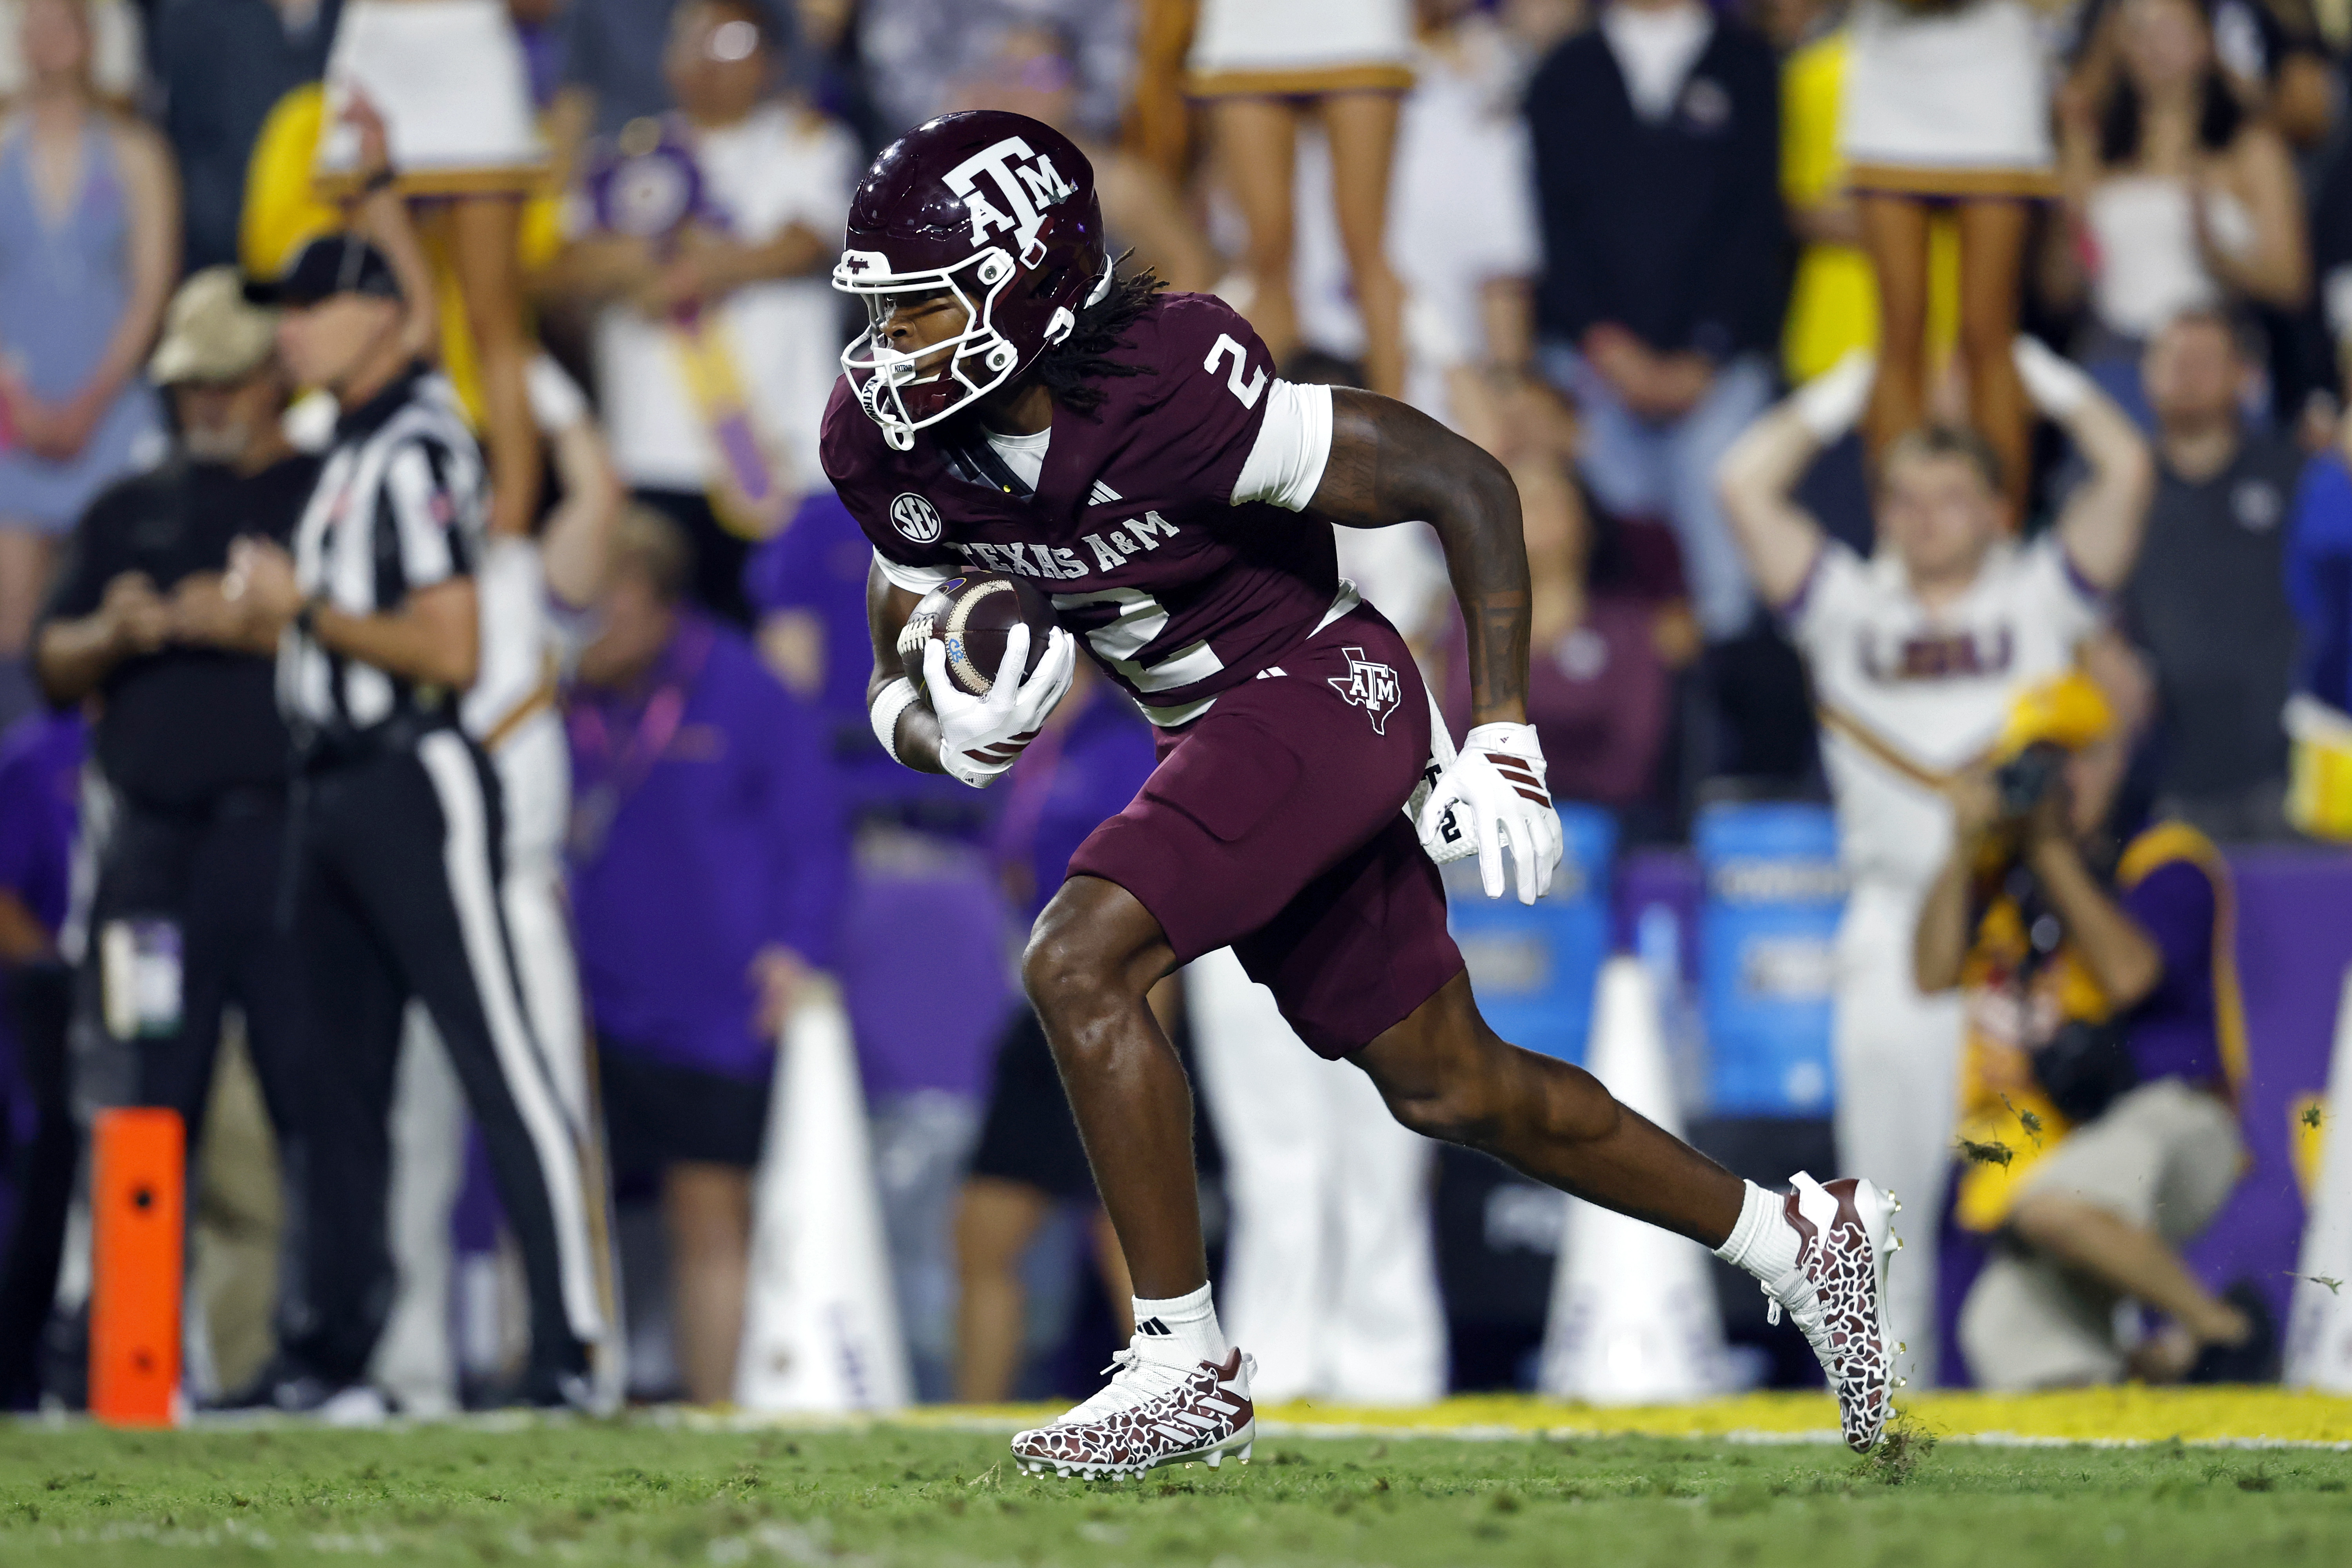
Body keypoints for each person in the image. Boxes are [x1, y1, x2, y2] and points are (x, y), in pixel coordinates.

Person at [828, 109, 1896, 1472]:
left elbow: (1464, 477)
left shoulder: (1166, 383)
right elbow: (891, 666)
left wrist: (1501, 727)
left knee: (1079, 960)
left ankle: (1183, 1363)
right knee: (1455, 1087)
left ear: (1027, 288)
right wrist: (942, 735)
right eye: (883, 313)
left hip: (1327, 690)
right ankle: (1799, 1241)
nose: (888, 349)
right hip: (1205, 737)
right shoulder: (887, 444)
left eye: (920, 310)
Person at [217, 226, 607, 1416]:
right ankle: (329, 1351)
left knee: (499, 1059)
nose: (288, 329)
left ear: (385, 315)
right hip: (327, 784)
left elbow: (450, 646)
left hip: (410, 781)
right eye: (281, 309)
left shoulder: (424, 439)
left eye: (313, 307)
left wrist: (307, 612)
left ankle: (568, 1348)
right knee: (335, 1085)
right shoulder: (345, 445)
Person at [1715, 339, 2156, 1384]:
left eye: (1950, 498)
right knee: (1885, 1191)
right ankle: (1884, 1404)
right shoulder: (1848, 606)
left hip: (2031, 933)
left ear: (2001, 509)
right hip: (1895, 917)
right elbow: (1741, 480)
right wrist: (1864, 377)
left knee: (2076, 1187)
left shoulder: (2042, 593)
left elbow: (2126, 467)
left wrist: (2021, 360)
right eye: (1903, 499)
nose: (1922, 519)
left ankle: (2134, 1372)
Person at [30, 267, 318, 1231]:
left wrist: (273, 625)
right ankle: (130, 1351)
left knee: (315, 1098)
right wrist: (109, 634)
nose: (206, 402)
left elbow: (402, 640)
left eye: (225, 380)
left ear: (275, 373)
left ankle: (328, 1357)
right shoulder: (128, 507)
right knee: (137, 1093)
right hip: (150, 853)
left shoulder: (324, 495)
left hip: (285, 844)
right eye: (191, 383)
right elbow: (50, 661)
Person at [1915, 669, 2265, 1389]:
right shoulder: (2006, 875)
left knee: (2055, 1211)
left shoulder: (2166, 860)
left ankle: (2230, 1330)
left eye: (2069, 757)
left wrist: (2050, 850)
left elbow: (2130, 974)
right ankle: (2158, 1369)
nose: (2055, 781)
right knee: (2005, 1334)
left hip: (2178, 1123)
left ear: (2111, 759)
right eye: (2035, 762)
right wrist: (1961, 849)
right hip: (2077, 1146)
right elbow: (1930, 973)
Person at [567, 505, 844, 1405]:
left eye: (598, 608)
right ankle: (566, 1388)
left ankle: (713, 1409)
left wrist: (796, 949)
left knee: (708, 1210)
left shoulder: (746, 688)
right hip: (588, 991)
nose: (582, 632)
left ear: (651, 600)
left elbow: (814, 833)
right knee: (575, 1207)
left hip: (713, 1001)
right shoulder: (564, 692)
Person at [540, 0, 859, 624]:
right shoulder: (622, 161)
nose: (708, 56)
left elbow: (804, 242)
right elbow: (559, 269)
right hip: (652, 454)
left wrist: (678, 271)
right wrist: (671, 263)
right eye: (691, 39)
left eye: (731, 41)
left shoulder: (809, 144)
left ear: (771, 58)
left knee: (788, 650)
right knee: (664, 648)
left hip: (781, 455)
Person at [1524, 0, 1785, 648]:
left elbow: (1760, 227)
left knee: (1729, 588)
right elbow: (1550, 221)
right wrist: (1607, 347)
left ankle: (1724, 740)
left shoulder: (1748, 63)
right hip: (1592, 369)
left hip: (1718, 374)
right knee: (1607, 584)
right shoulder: (1565, 69)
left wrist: (1707, 352)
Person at [955, 657, 1156, 1403]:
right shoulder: (1021, 741)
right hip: (1039, 1010)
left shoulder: (1124, 745)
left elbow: (1156, 891)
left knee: (1130, 1232)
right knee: (980, 1230)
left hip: (1116, 1006)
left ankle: (1181, 1400)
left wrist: (1143, 1033)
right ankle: (970, 1429)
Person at [0, 0, 175, 731]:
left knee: (111, 614)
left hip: (108, 417)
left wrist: (90, 402)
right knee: (13, 628)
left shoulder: (134, 153)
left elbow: (150, 286)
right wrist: (19, 400)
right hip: (17, 419)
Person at [1839, 0, 2052, 514]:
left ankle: (1999, 536)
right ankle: (1900, 534)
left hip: (1994, 66)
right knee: (1899, 331)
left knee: (1987, 333)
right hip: (1890, 65)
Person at [2054, 0, 2308, 428]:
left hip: (2217, 358)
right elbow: (2059, 292)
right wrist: (2073, 237)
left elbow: (2291, 283)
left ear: (2205, 42)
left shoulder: (2249, 149)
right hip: (2115, 360)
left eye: (2171, 31)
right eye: (2139, 33)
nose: (2155, 47)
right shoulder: (2094, 155)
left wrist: (2215, 253)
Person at [2122, 309, 2307, 840]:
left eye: (2205, 361)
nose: (2187, 374)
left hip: (2281, 770)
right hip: (2163, 779)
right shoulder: (2117, 495)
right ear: (2146, 375)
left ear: (2245, 377)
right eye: (2173, 360)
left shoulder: (2293, 476)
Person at [1186, 0, 1414, 398]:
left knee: (1365, 245)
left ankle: (1394, 433)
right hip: (1246, 25)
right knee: (1267, 250)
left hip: (1355, 20)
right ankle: (1275, 431)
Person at [151, 0, 342, 274]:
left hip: (368, 254)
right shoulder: (194, 17)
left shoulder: (373, 11)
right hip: (239, 265)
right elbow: (188, 155)